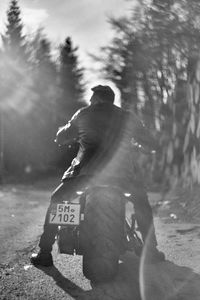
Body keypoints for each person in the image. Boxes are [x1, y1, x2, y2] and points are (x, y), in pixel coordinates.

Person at [30, 84, 165, 267]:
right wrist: (143, 148)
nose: (91, 102)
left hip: (84, 175)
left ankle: (45, 253)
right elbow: (151, 143)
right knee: (141, 203)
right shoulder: (128, 117)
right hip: (122, 176)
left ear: (97, 99)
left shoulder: (83, 114)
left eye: (92, 99)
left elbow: (61, 137)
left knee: (59, 201)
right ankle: (151, 251)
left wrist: (65, 134)